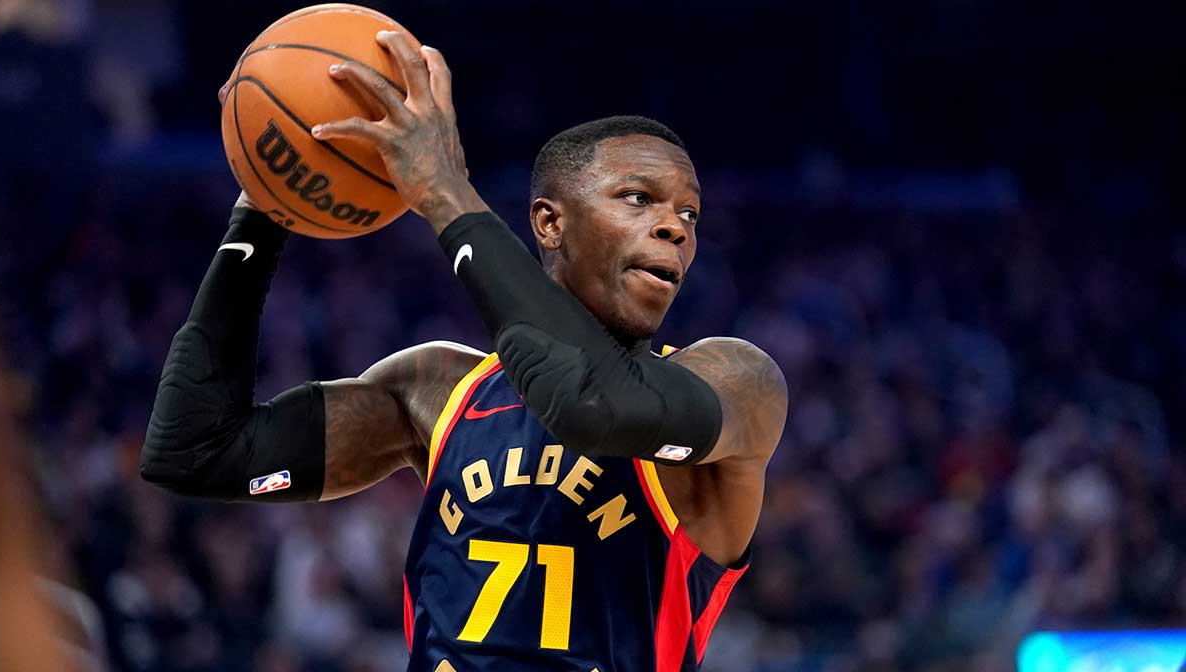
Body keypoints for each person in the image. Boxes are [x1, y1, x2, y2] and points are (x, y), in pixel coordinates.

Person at [142, 31, 788, 672]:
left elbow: (591, 405)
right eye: (639, 198)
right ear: (549, 222)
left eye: (690, 214)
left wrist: (444, 189)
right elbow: (198, 452)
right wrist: (264, 204)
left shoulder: (738, 383)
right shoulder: (437, 391)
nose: (675, 226)